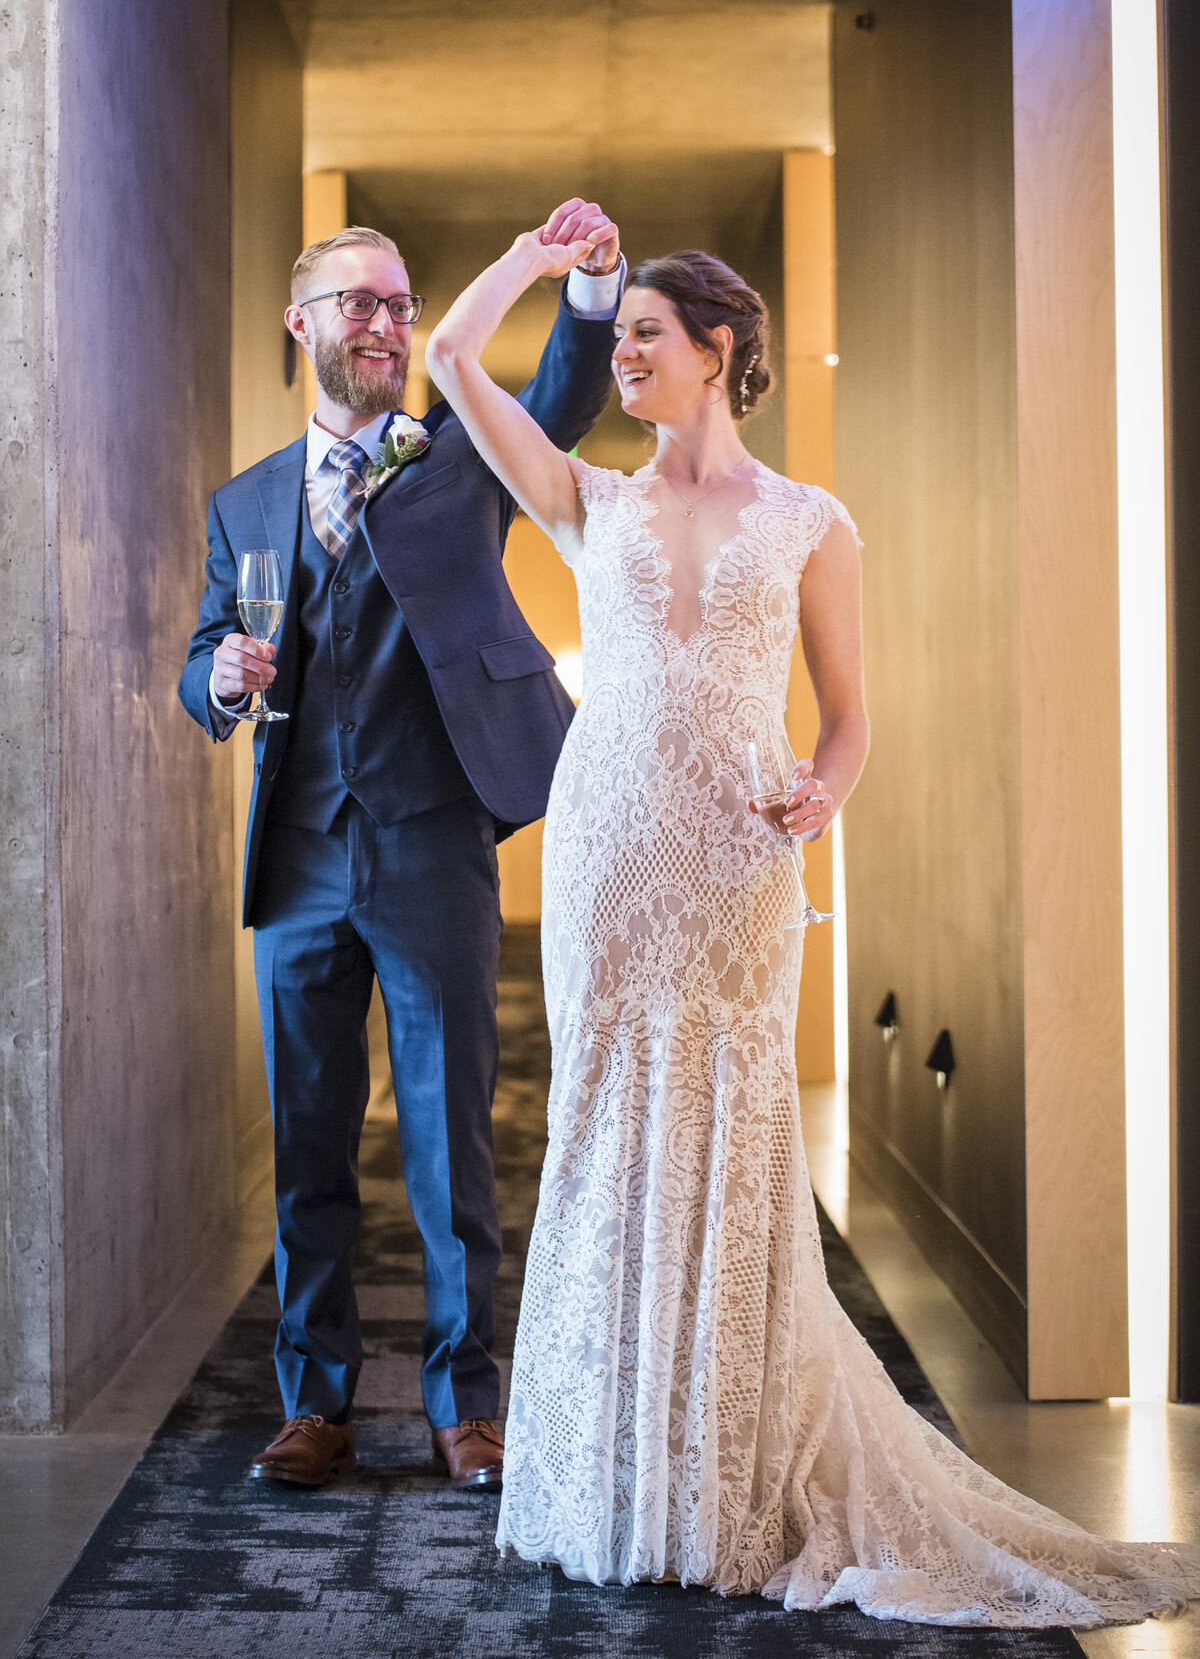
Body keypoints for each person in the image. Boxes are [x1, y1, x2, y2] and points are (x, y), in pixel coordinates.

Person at [423, 226, 1200, 1624]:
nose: (625, 354)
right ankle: (607, 1479)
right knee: (602, 1122)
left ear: (718, 350)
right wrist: (543, 257)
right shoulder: (586, 501)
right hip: (607, 857)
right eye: (625, 335)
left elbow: (847, 723)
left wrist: (821, 796)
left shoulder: (810, 522)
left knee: (729, 1131)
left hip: (736, 865)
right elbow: (449, 358)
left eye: (647, 333)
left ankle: (721, 1482)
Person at [179, 200, 623, 1492]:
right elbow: (204, 654)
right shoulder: (245, 502)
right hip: (302, 856)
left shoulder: (459, 454)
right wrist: (223, 676)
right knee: (309, 1146)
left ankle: (465, 1403)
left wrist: (591, 284)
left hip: (434, 842)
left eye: (399, 301)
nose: (384, 321)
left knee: (449, 1143)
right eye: (359, 302)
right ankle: (316, 1405)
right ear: (302, 323)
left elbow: (560, 391)